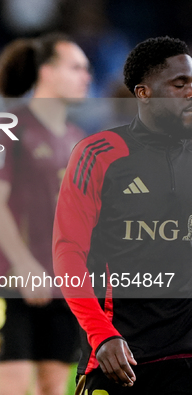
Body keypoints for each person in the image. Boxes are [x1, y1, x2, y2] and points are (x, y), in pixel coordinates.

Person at [53, 36, 192, 394]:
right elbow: (68, 253)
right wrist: (101, 336)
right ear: (144, 93)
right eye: (180, 84)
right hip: (121, 356)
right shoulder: (99, 155)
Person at [0, 33, 91, 395]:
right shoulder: (6, 127)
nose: (86, 77)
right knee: (11, 388)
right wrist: (25, 265)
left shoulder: (78, 139)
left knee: (54, 388)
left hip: (65, 286)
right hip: (14, 282)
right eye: (75, 67)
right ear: (47, 72)